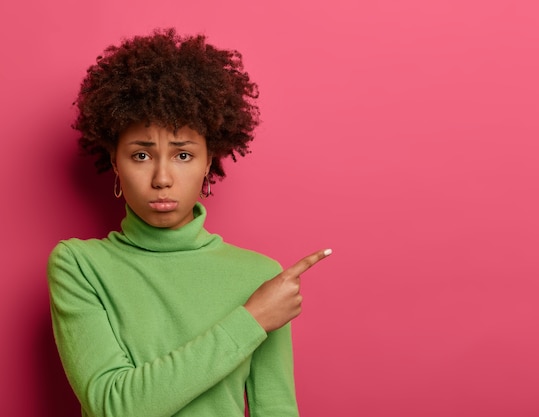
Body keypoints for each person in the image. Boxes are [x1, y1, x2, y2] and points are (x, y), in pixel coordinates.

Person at [47, 28, 331, 417]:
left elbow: (276, 408)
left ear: (209, 162)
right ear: (115, 161)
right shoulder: (79, 265)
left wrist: (261, 311)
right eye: (141, 156)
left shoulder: (261, 277)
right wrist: (250, 320)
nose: (162, 178)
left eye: (183, 155)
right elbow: (112, 406)